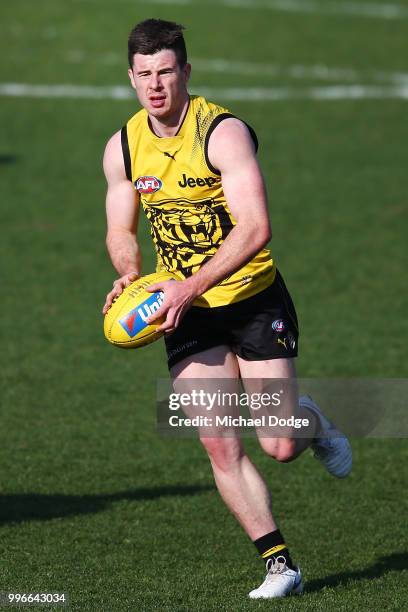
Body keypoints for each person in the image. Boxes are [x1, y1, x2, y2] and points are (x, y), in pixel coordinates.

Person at [102, 18, 352, 599]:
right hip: (186, 311)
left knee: (280, 445)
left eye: (166, 72)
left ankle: (309, 420)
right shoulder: (123, 147)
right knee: (218, 441)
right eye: (144, 75)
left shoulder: (223, 133)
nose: (156, 86)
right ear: (131, 78)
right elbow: (120, 227)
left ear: (186, 71)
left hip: (251, 300)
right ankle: (279, 565)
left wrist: (193, 283)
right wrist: (130, 275)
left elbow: (256, 227)